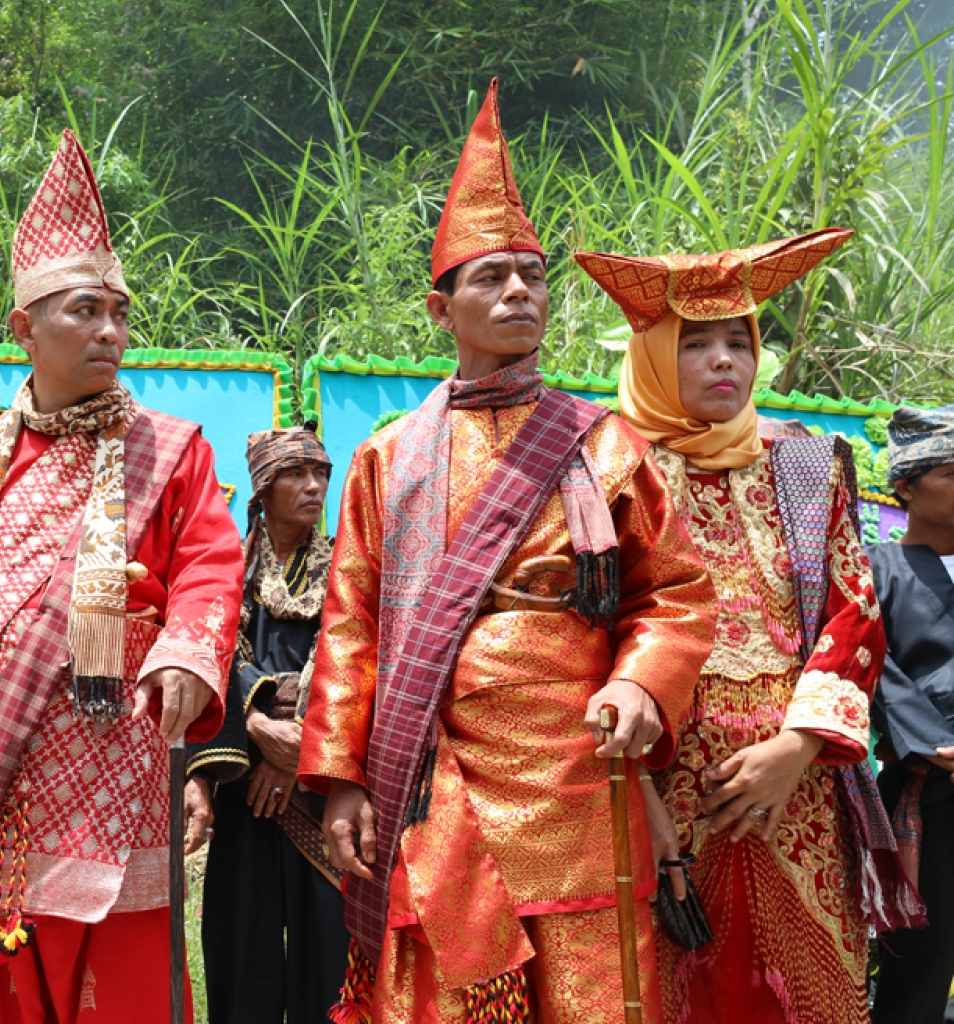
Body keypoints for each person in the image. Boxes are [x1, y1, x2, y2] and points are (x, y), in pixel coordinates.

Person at [298, 80, 717, 1024]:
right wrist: (340, 782)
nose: (520, 290)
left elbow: (677, 591)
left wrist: (641, 684)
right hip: (435, 770)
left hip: (578, 767)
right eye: (492, 276)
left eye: (532, 274)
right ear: (441, 310)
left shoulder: (606, 444)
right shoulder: (390, 455)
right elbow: (350, 623)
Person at [0, 129, 244, 1023]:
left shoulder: (173, 450)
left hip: (117, 757)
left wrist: (189, 653)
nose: (109, 330)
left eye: (118, 312)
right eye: (84, 310)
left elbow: (209, 568)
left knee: (122, 985)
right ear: (23, 327)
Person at [579, 228, 914, 1023]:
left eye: (741, 340)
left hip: (791, 788)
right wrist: (638, 794)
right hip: (656, 783)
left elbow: (853, 614)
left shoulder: (806, 460)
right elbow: (583, 635)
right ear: (655, 352)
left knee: (800, 991)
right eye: (697, 344)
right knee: (665, 984)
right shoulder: (603, 468)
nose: (726, 360)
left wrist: (797, 750)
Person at [184, 425, 349, 1024]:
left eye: (322, 473)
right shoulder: (224, 570)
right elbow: (206, 653)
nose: (314, 486)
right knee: (242, 950)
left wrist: (298, 749)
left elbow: (360, 657)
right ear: (261, 486)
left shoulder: (350, 573)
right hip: (244, 786)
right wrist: (253, 726)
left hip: (320, 783)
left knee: (329, 954)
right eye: (295, 474)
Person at [866, 404, 954, 1024]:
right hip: (932, 791)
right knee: (922, 961)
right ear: (906, 485)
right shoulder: (874, 569)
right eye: (952, 473)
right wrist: (937, 743)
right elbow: (872, 667)